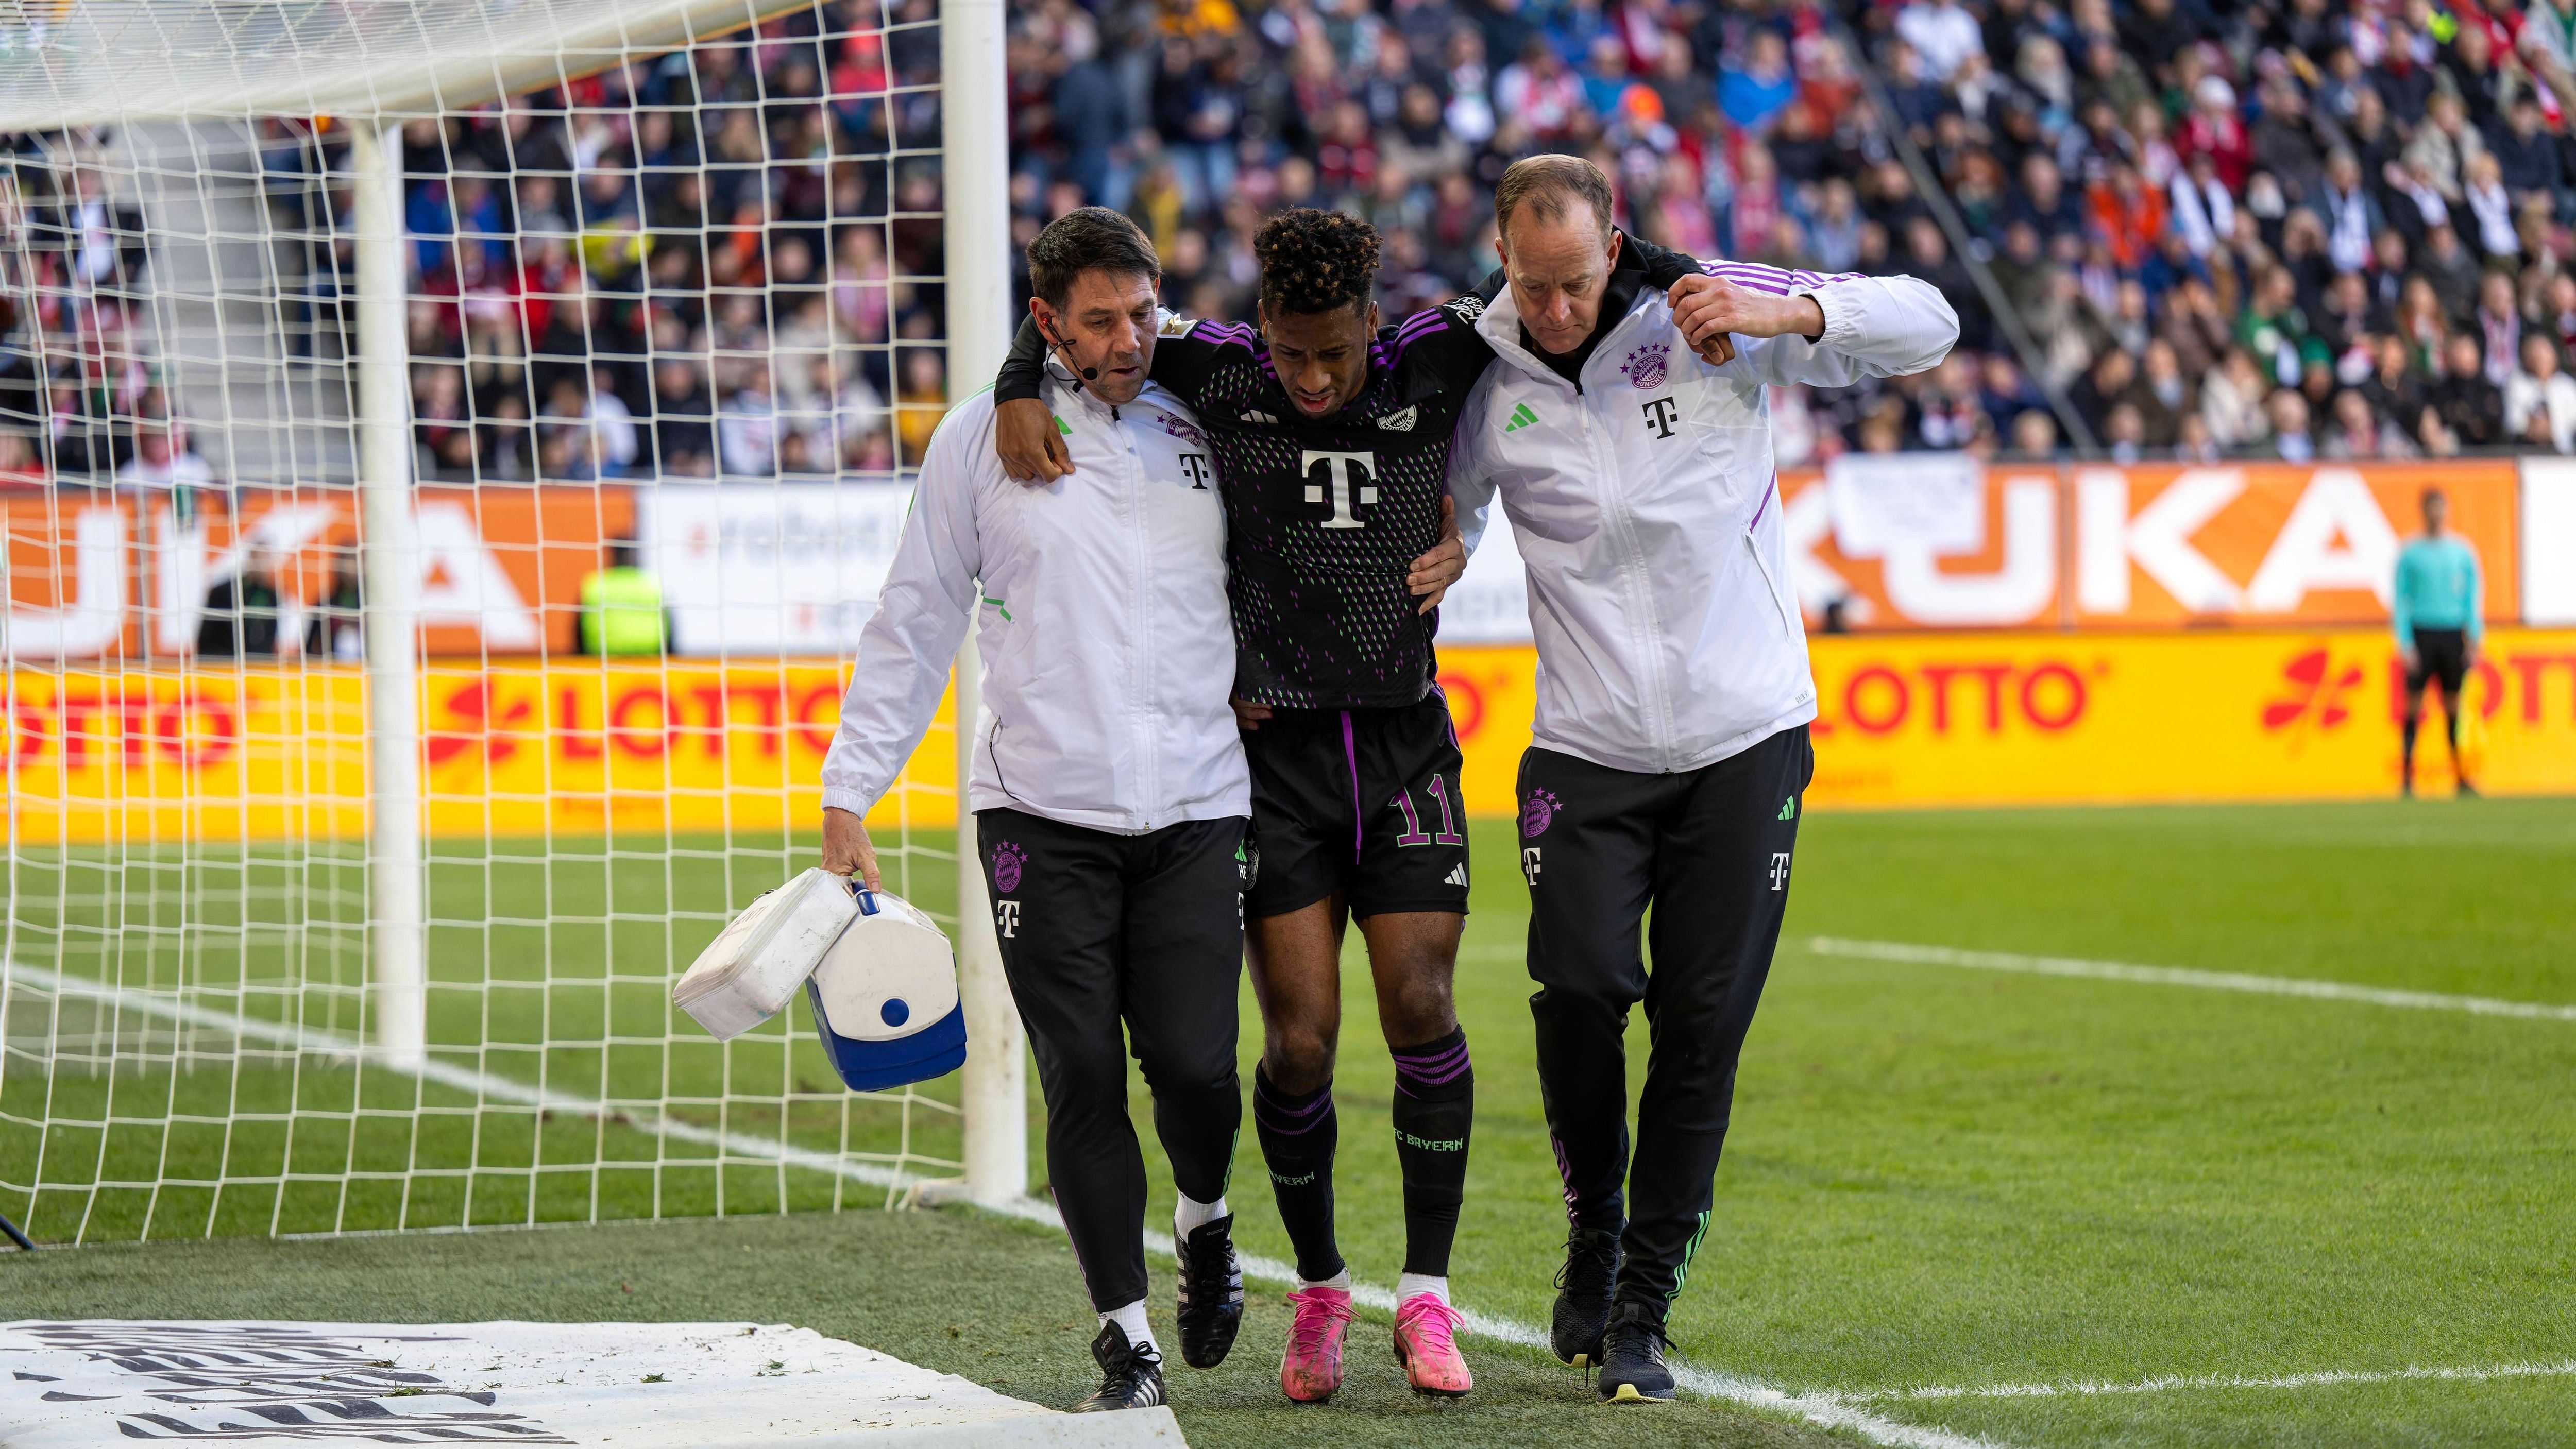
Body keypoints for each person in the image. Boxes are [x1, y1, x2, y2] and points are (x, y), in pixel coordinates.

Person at [987, 208, 1710, 1405]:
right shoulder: (1211, 362)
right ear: (1259, 327)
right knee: (1302, 1038)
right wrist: (1018, 381)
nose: (1312, 376)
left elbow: (1568, 276)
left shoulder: (1439, 348)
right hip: (1272, 760)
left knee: (1422, 1004)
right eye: (1290, 351)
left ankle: (1426, 1292)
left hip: (1403, 742)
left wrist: (1698, 290)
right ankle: (1320, 1285)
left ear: (1371, 324)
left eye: (1333, 351)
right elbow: (1080, 334)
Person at [1445, 155, 1958, 1404]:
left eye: (1574, 282)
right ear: (1500, 259)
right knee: (1575, 990)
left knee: (1699, 1024)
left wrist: (1790, 311)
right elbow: (1445, 518)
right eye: (1532, 283)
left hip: (1745, 739)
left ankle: (1640, 1301)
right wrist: (1426, 562)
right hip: (1586, 744)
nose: (1556, 308)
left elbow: (1931, 323)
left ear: (1613, 246)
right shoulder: (1473, 369)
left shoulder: (1709, 310)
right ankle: (1592, 1221)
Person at [819, 209, 1250, 1414]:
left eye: (1143, 312)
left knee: (1198, 1068)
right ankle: (1125, 1336)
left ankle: (1206, 1218)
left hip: (1199, 801)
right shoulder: (976, 442)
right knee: (1081, 1077)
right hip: (1038, 812)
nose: (1128, 340)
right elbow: (914, 619)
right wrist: (850, 783)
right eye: (1100, 320)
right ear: (1048, 320)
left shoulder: (1204, 415)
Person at [2393, 487, 2483, 797]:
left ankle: (2460, 777)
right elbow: (2401, 600)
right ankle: (2407, 777)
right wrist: (2404, 642)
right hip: (2422, 632)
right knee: (2414, 706)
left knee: (2453, 707)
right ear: (2424, 511)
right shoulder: (2410, 552)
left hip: (2452, 633)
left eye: (2441, 508)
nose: (2437, 514)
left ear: (2447, 511)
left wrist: (2474, 638)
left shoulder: (2461, 551)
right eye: (2432, 508)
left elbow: (2472, 599)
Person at [576, 540, 668, 656]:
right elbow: (669, 627)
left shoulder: (595, 585)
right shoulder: (653, 585)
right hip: (648, 657)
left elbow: (578, 629)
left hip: (604, 658)